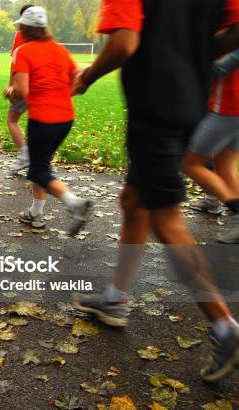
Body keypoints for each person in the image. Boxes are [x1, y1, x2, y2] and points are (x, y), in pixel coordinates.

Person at [72, 0, 239, 382]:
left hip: (155, 109)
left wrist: (89, 75)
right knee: (134, 200)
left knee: (167, 222)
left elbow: (124, 43)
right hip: (192, 101)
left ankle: (225, 327)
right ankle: (115, 298)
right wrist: (194, 51)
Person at [7, 6, 93, 236]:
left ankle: (75, 203)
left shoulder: (23, 51)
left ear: (24, 28)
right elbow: (77, 81)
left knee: (37, 171)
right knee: (41, 164)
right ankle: (36, 214)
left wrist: (10, 91)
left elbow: (22, 91)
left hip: (43, 119)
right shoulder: (61, 50)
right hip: (65, 118)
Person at [184, 49, 239, 244]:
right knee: (225, 165)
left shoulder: (233, 24)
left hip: (226, 108)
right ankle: (212, 200)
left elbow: (221, 66)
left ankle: (236, 211)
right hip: (232, 108)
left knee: (190, 163)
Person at [6, 4, 33, 175]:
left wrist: (11, 86)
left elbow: (15, 64)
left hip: (24, 84)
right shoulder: (45, 37)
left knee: (12, 119)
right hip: (42, 86)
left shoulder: (20, 35)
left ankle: (25, 155)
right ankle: (36, 160)